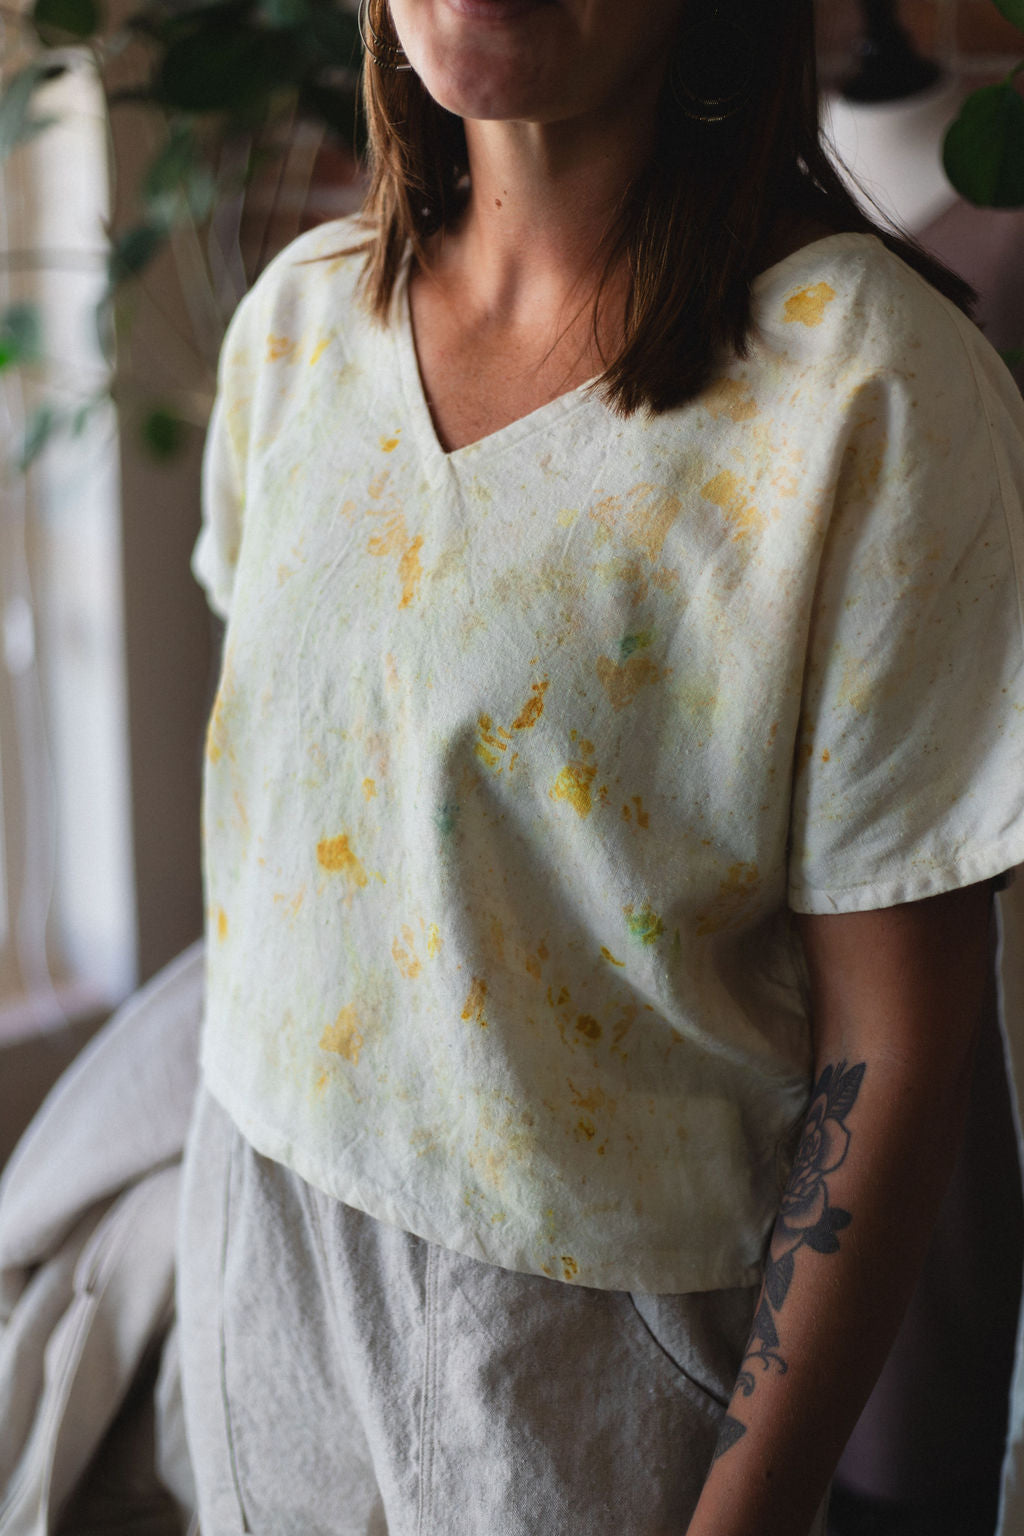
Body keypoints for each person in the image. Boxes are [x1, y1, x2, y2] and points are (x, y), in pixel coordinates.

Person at [175, 0, 1024, 1532]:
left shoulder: (873, 396)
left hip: (583, 1331)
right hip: (257, 1222)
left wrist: (750, 1508)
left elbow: (897, 1049)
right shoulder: (296, 331)